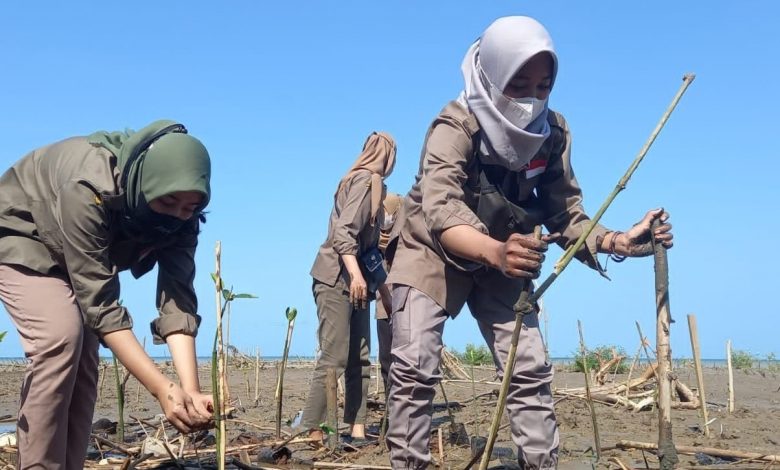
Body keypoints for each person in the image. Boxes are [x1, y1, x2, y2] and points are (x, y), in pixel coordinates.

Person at [384, 16, 673, 470]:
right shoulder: (454, 125)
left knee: (529, 369)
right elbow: (440, 210)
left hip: (506, 254)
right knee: (414, 366)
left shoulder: (552, 133)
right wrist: (495, 251)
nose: (531, 99)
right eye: (518, 84)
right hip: (431, 251)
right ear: (493, 75)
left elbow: (565, 214)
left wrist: (616, 238)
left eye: (543, 86)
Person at [0, 120, 214, 469]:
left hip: (76, 255)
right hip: (23, 233)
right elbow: (101, 305)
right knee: (60, 337)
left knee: (85, 355)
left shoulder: (184, 216)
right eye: (168, 201)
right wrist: (161, 389)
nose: (178, 214)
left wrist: (188, 391)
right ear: (147, 184)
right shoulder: (88, 187)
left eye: (189, 207)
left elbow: (177, 300)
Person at [303, 131, 396, 443]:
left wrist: (382, 290)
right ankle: (311, 427)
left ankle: (357, 427)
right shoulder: (362, 180)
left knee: (360, 355)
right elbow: (344, 234)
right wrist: (355, 276)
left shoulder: (378, 189)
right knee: (336, 354)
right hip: (335, 280)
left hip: (357, 284)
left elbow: (370, 251)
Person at [374, 192, 402, 393]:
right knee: (386, 357)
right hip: (383, 307)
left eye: (389, 213)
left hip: (405, 304)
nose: (386, 219)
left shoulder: (407, 234)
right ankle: (390, 403)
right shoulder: (372, 236)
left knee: (405, 358)